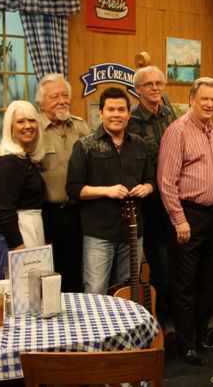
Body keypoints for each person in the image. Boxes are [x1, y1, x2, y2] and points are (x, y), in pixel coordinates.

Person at [0, 74, 89, 292]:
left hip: (76, 213)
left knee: (73, 272)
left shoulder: (81, 127)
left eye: (65, 95)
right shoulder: (32, 125)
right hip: (45, 214)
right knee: (39, 278)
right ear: (41, 104)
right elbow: (7, 159)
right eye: (54, 96)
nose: (61, 100)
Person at [158, 77, 213, 365]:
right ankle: (186, 345)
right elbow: (166, 182)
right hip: (188, 217)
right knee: (184, 285)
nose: (209, 104)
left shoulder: (211, 130)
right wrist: (179, 220)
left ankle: (199, 336)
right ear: (191, 99)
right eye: (204, 99)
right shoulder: (178, 131)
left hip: (212, 217)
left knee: (208, 281)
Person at [66, 87, 154, 295]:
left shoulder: (139, 145)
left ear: (128, 113)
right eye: (111, 109)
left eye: (121, 109)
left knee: (127, 291)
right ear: (101, 113)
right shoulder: (85, 146)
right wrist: (107, 191)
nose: (116, 114)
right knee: (96, 290)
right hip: (99, 234)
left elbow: (151, 179)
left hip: (133, 232)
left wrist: (146, 188)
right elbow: (73, 189)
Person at [128, 66, 176, 328]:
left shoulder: (168, 113)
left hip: (173, 199)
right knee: (161, 267)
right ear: (138, 89)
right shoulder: (131, 119)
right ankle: (160, 320)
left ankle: (173, 316)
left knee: (175, 264)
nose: (156, 88)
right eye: (149, 84)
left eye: (159, 83)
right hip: (149, 203)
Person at [0, 100, 46, 279]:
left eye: (32, 120)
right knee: (9, 296)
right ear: (10, 127)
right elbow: (5, 211)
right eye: (20, 121)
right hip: (9, 239)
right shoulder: (10, 161)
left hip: (24, 232)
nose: (28, 126)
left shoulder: (23, 157)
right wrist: (20, 250)